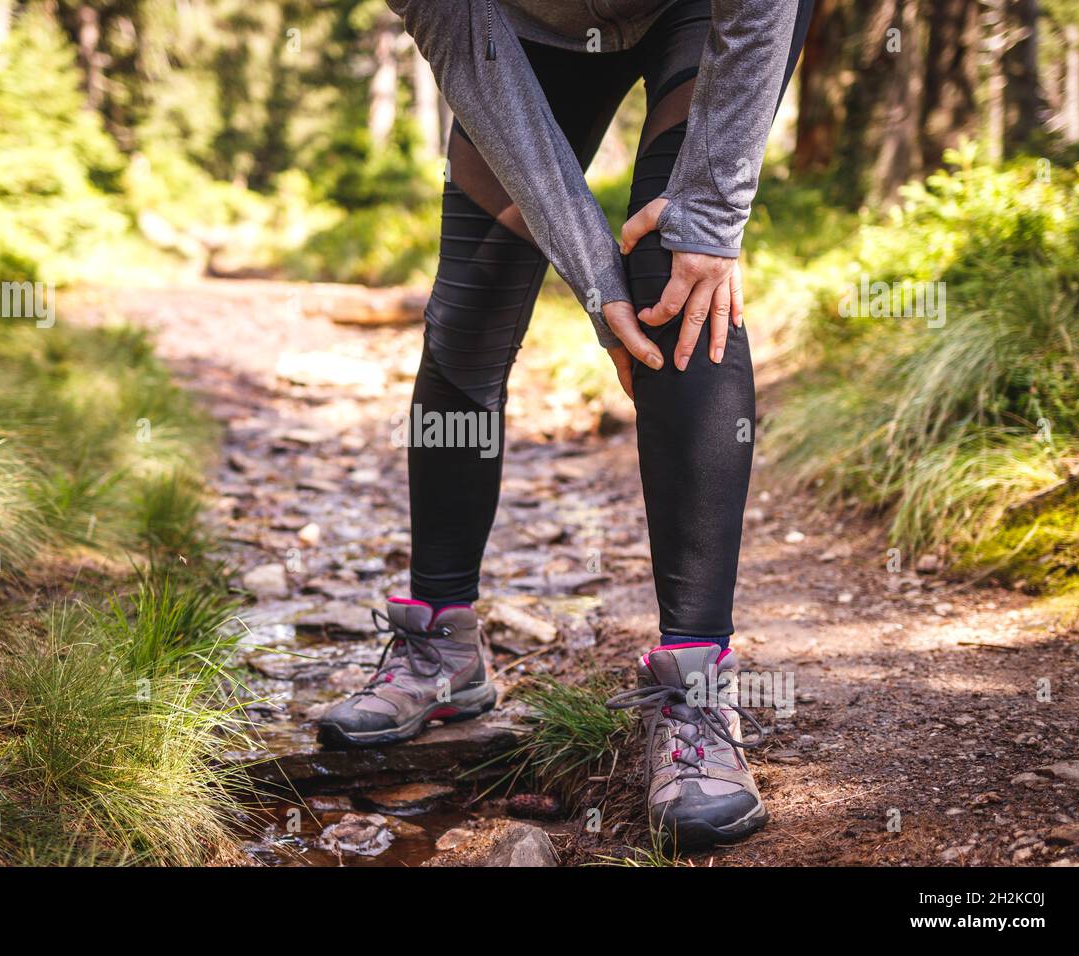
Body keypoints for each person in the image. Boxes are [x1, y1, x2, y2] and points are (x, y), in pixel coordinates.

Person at [317, 0, 815, 851]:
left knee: (679, 278)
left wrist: (709, 219)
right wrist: (595, 281)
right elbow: (470, 52)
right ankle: (442, 647)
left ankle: (695, 688)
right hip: (512, 30)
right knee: (471, 306)